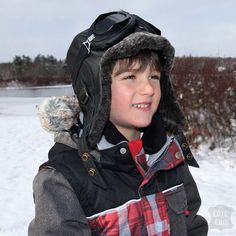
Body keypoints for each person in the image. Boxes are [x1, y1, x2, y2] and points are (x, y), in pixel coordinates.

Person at [28, 10, 208, 235]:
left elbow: (193, 227)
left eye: (154, 76)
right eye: (130, 77)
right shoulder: (61, 180)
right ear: (96, 90)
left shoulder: (169, 156)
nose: (149, 89)